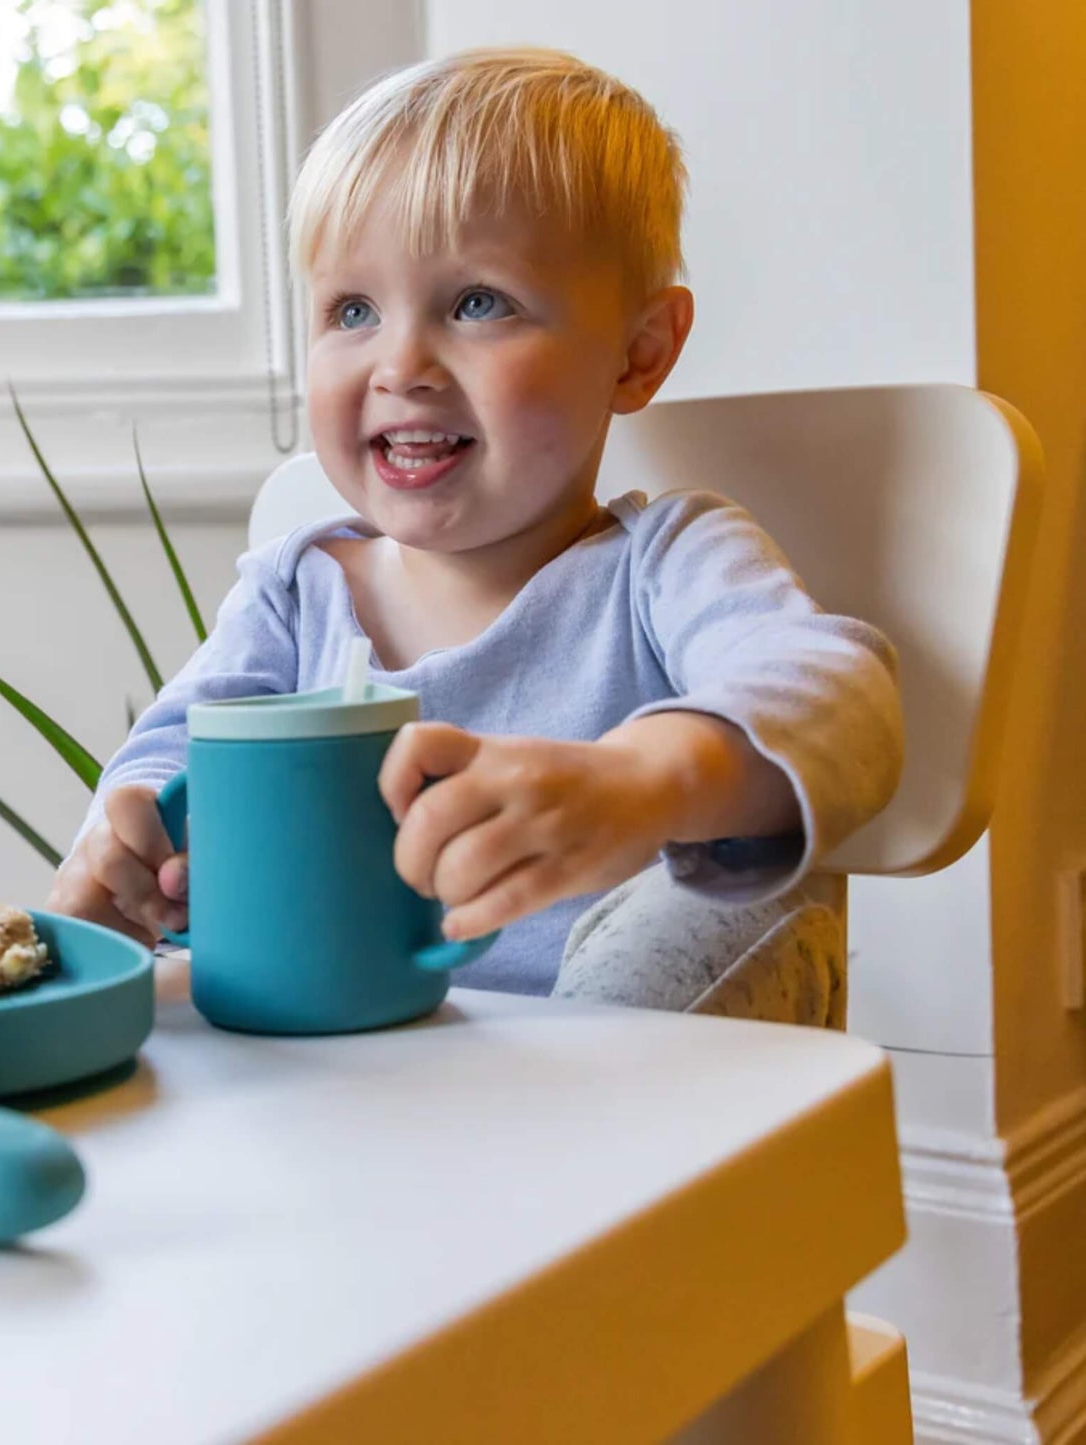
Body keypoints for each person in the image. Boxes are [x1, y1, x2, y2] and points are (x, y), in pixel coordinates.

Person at [48, 47, 903, 1000]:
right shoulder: (298, 593)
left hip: (629, 1090)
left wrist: (638, 783)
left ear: (637, 352)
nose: (400, 363)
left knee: (720, 902)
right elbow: (169, 758)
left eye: (476, 302)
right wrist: (120, 852)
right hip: (350, 1066)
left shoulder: (666, 563)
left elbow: (840, 690)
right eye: (353, 308)